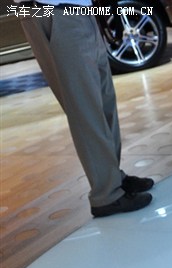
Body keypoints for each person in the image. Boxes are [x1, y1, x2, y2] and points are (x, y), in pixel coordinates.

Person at [17, 0, 153, 217]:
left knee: (104, 101)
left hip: (80, 10)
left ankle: (112, 178)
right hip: (51, 11)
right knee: (85, 108)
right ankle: (106, 194)